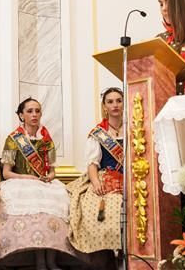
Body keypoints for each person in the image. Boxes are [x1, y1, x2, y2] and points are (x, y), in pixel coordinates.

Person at [0, 98, 78, 270]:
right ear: (21, 115)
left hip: (43, 183)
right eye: (29, 111)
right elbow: (6, 173)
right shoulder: (13, 139)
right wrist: (28, 178)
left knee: (58, 202)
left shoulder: (46, 140)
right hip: (20, 182)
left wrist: (49, 176)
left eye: (37, 111)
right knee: (37, 204)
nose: (34, 115)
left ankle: (51, 259)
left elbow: (53, 170)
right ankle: (39, 260)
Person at [67, 87, 124, 269]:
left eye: (118, 100)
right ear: (104, 106)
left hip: (131, 177)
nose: (115, 105)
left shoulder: (135, 127)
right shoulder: (97, 133)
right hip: (105, 176)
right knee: (106, 209)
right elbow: (92, 164)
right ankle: (108, 257)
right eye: (110, 101)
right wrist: (96, 182)